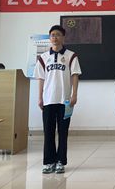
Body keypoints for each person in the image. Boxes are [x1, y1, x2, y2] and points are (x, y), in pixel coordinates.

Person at [34, 24, 81, 174]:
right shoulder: (43, 57)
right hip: (48, 100)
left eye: (58, 35)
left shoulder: (71, 56)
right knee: (48, 132)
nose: (55, 37)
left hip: (65, 101)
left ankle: (61, 161)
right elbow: (41, 78)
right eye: (52, 35)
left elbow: (75, 75)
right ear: (50, 38)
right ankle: (49, 162)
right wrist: (40, 97)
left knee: (63, 132)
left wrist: (74, 94)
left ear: (63, 37)